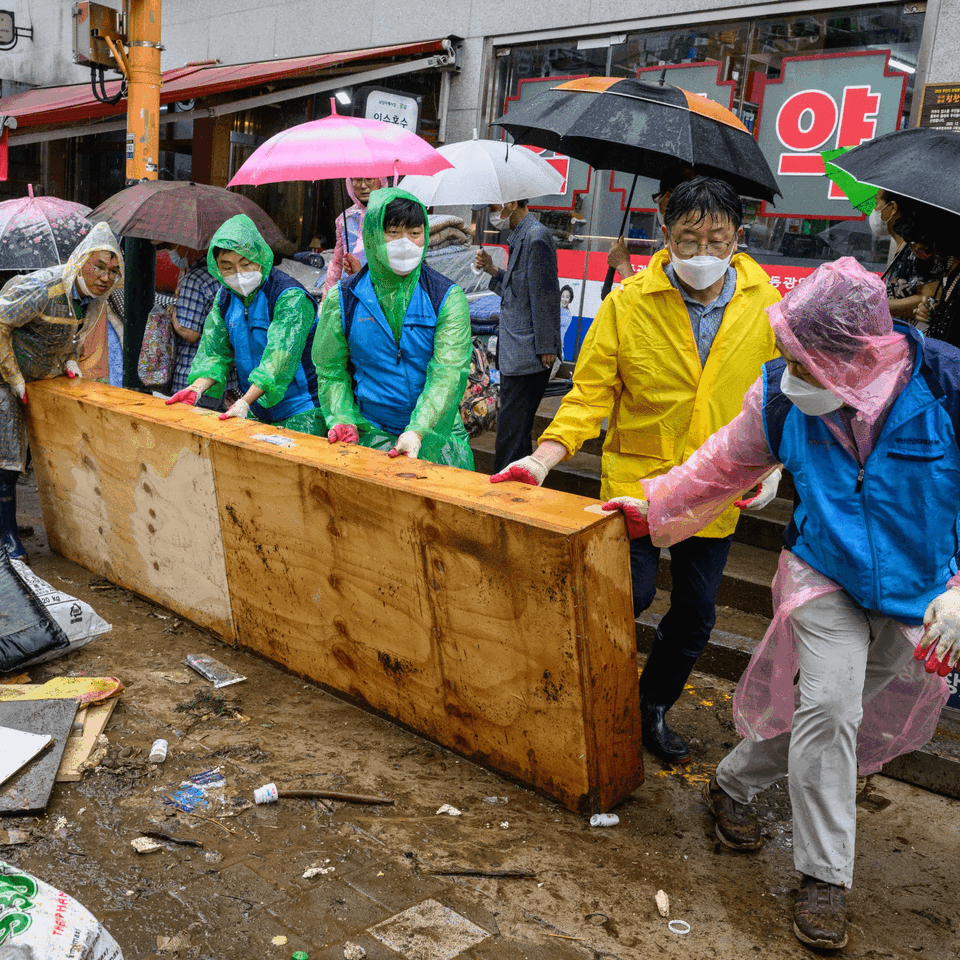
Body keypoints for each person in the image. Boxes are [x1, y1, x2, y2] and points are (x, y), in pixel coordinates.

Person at [602, 257, 955, 950]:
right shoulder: (781, 396)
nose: (794, 374)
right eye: (790, 355)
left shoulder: (947, 386)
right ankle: (826, 876)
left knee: (840, 713)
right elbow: (721, 463)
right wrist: (650, 505)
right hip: (825, 568)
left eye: (810, 361)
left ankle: (732, 783)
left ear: (865, 352)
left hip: (923, 591)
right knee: (828, 703)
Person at [491, 177, 782, 765]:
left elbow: (783, 394)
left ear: (738, 239)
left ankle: (651, 707)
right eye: (688, 238)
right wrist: (543, 457)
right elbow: (588, 395)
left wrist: (775, 464)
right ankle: (585, 695)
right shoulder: (628, 302)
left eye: (716, 240)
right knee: (632, 593)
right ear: (664, 236)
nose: (703, 253)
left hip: (718, 486)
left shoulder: (769, 304)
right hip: (638, 484)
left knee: (697, 616)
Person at [314, 187, 473, 468]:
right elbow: (331, 370)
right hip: (371, 433)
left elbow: (448, 373)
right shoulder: (344, 299)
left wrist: (418, 430)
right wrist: (342, 418)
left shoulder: (446, 297)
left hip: (437, 437)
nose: (406, 243)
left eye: (414, 233)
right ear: (374, 235)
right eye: (394, 233)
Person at [0, 222, 123, 560]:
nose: (105, 276)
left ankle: (4, 521)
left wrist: (69, 360)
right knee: (6, 459)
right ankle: (8, 537)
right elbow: (1, 321)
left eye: (113, 270)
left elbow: (70, 336)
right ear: (81, 260)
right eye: (98, 266)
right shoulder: (44, 287)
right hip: (5, 376)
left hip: (40, 380)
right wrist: (13, 376)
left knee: (26, 455)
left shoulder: (93, 299)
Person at [165, 214, 324, 437]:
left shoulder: (289, 298)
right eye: (227, 266)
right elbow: (216, 354)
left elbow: (277, 362)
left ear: (259, 257)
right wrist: (195, 388)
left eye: (246, 263)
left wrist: (243, 402)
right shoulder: (225, 298)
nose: (237, 274)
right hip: (257, 408)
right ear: (217, 268)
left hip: (301, 408)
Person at [475, 198, 561, 473]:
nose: (492, 215)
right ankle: (517, 488)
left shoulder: (536, 238)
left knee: (510, 435)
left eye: (492, 208)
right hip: (516, 352)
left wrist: (547, 345)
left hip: (528, 354)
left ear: (511, 203)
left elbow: (546, 294)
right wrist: (491, 270)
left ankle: (505, 492)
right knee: (515, 433)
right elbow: (519, 291)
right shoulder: (521, 237)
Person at [167, 245, 240, 410]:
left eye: (176, 247)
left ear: (191, 248)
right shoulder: (228, 277)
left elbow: (190, 333)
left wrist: (173, 316)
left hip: (193, 376)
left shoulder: (195, 279)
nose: (173, 251)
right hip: (221, 379)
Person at [607, 163, 697, 280]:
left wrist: (622, 265)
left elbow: (649, 297)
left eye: (658, 196)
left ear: (666, 199)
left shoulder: (676, 250)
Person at [873, 191, 942, 320]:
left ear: (892, 208)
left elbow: (929, 298)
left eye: (877, 203)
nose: (874, 210)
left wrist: (877, 305)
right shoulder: (901, 250)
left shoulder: (918, 249)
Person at [321, 177, 385, 298]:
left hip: (382, 294)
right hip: (350, 291)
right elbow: (337, 264)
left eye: (369, 179)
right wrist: (327, 300)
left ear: (380, 180)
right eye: (357, 180)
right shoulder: (345, 219)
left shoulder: (391, 215)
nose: (363, 185)